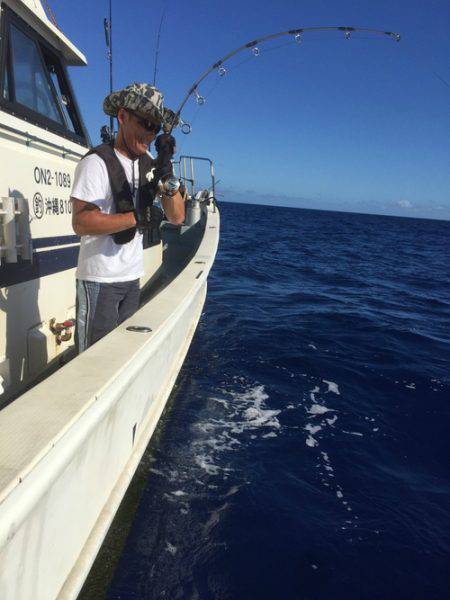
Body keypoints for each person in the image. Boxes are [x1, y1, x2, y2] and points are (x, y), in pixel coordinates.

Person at [71, 83, 185, 352]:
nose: (149, 134)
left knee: (119, 354)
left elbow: (177, 216)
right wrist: (137, 217)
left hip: (132, 278)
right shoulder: (96, 163)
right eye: (145, 123)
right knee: (93, 359)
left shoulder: (149, 164)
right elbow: (81, 222)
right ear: (122, 117)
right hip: (100, 281)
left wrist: (166, 172)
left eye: (155, 129)